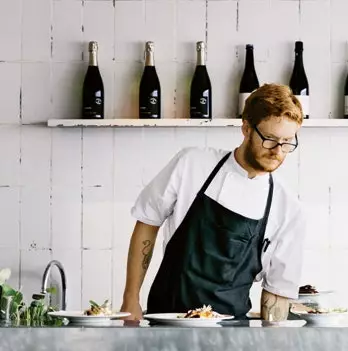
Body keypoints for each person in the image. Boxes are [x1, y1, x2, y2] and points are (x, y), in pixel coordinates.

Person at [120, 83, 306, 322]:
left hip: (231, 336)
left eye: (288, 142)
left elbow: (277, 292)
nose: (278, 151)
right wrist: (130, 298)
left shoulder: (288, 208)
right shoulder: (192, 164)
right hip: (166, 322)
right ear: (246, 128)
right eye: (269, 139)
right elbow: (147, 221)